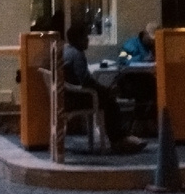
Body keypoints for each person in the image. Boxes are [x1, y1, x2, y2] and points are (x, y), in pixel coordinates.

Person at [62, 22, 144, 153]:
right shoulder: (77, 54)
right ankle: (118, 140)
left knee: (107, 97)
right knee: (110, 102)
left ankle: (121, 137)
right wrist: (106, 90)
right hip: (77, 99)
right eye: (85, 37)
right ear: (78, 39)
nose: (88, 40)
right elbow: (86, 81)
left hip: (68, 96)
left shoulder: (67, 51)